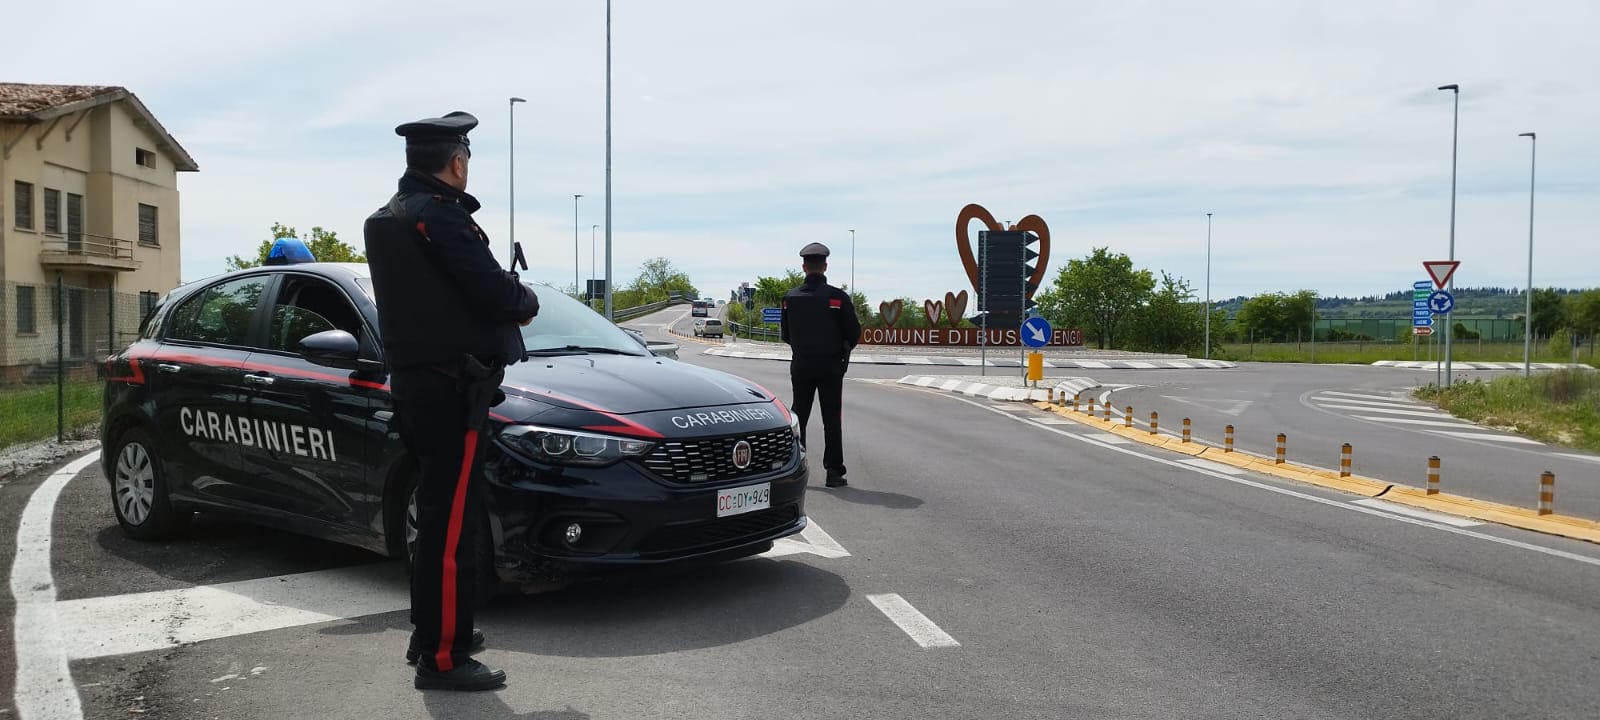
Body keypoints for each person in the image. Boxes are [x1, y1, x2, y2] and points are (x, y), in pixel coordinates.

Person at [362, 110, 539, 692]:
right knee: (452, 525)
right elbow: (498, 294)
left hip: (418, 387)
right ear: (457, 163)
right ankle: (443, 657)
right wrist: (525, 297)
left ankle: (432, 632)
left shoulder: (387, 219)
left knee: (439, 516)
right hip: (451, 390)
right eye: (465, 158)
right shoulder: (441, 218)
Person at [779, 242, 861, 488]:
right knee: (831, 418)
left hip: (802, 364)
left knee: (799, 415)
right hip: (830, 365)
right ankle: (834, 472)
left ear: (804, 267)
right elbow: (853, 332)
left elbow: (785, 334)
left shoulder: (790, 298)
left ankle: (795, 467)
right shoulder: (837, 298)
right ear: (825, 266)